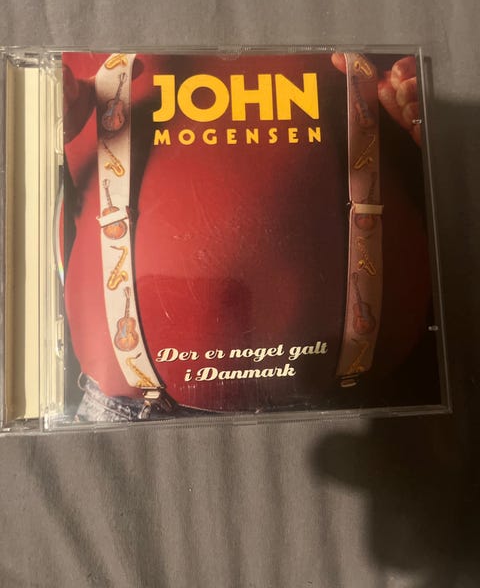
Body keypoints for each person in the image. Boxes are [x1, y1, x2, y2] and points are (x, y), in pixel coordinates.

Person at [62, 51, 436, 421]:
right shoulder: (76, 39)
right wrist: (36, 138)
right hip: (127, 414)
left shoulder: (384, 28)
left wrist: (437, 123)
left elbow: (435, 151)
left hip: (374, 403)